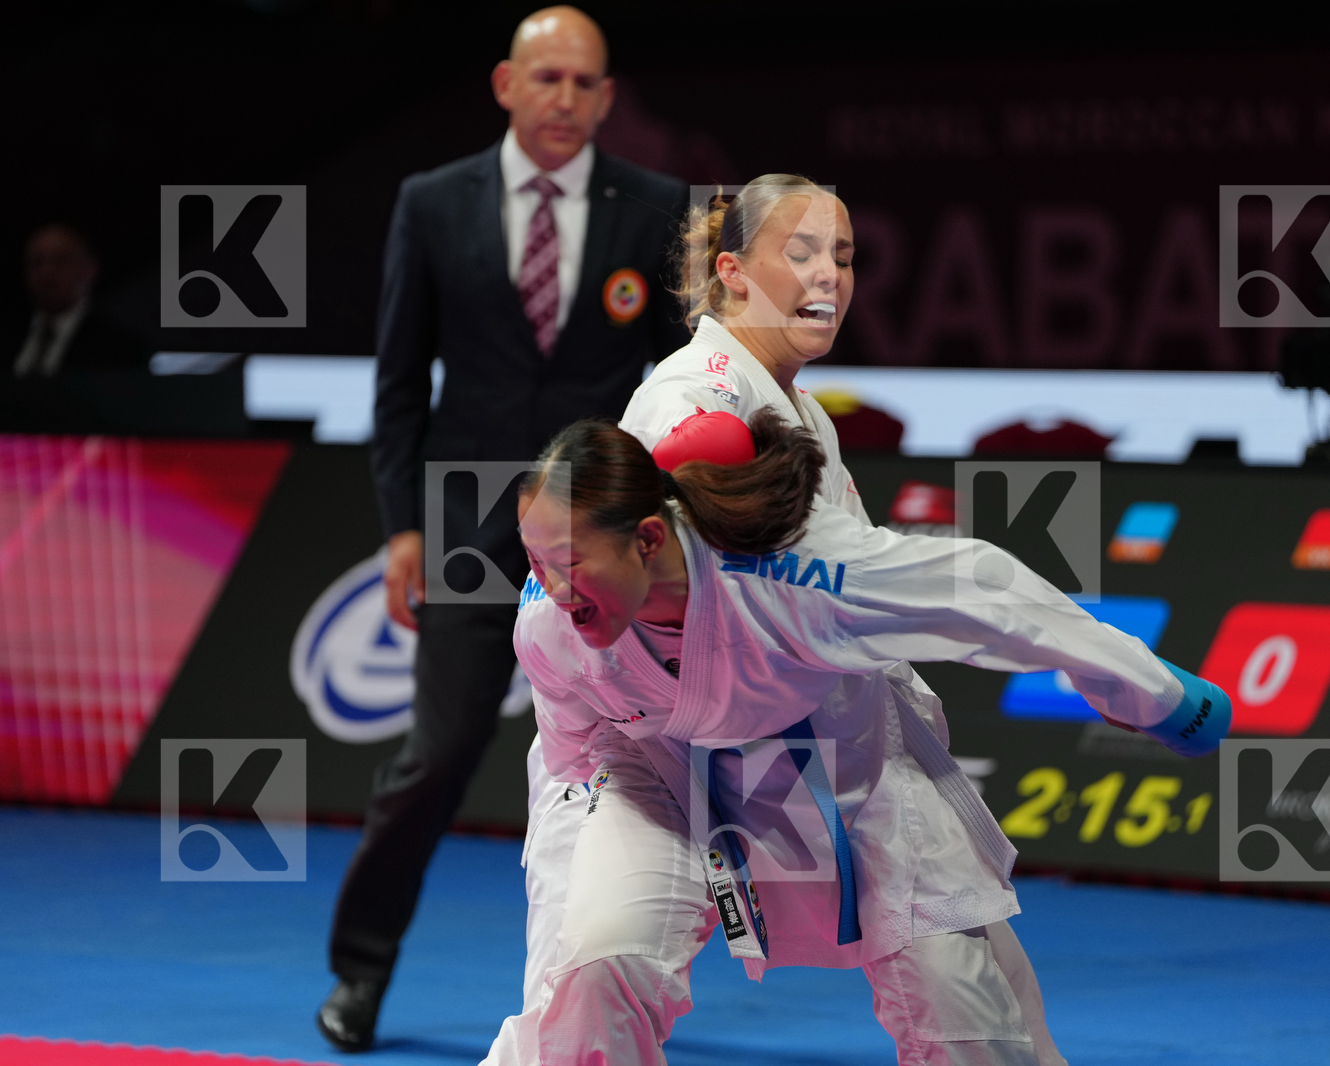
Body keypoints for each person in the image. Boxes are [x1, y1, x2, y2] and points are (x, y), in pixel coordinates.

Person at [490, 175, 1085, 1065]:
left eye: (843, 256)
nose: (829, 275)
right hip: (662, 749)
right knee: (587, 993)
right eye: (801, 252)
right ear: (731, 272)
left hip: (790, 731)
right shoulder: (691, 402)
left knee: (975, 995)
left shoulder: (792, 405)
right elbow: (634, 582)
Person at [502, 411, 1230, 1065]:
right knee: (598, 967)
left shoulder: (790, 575)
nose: (549, 589)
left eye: (566, 565)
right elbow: (569, 791)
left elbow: (981, 592)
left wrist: (1149, 692)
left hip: (845, 764)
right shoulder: (547, 629)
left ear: (649, 537)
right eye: (533, 564)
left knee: (962, 1021)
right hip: (657, 773)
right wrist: (559, 969)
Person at [318, 6, 689, 1052]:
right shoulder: (432, 204)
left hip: (612, 542)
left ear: (608, 97)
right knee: (435, 757)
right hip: (467, 524)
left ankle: (637, 982)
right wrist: (401, 528)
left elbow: (675, 379)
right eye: (548, 80)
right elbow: (397, 384)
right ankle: (359, 972)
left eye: (585, 83)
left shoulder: (651, 205)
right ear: (504, 85)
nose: (566, 99)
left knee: (654, 763)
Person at [0, 223, 147, 377]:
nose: (46, 274)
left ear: (90, 269)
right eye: (37, 262)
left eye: (60, 261)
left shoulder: (118, 348)